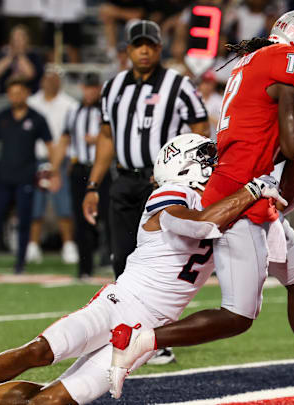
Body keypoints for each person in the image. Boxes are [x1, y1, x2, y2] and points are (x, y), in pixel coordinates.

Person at [108, 10, 294, 404]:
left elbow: (277, 145)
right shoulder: (289, 59)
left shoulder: (255, 59)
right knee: (238, 315)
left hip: (252, 186)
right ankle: (143, 341)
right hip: (240, 194)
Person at [0, 134, 285, 405]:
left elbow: (267, 247)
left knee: (50, 401)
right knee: (41, 351)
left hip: (148, 332)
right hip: (120, 303)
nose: (216, 164)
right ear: (184, 165)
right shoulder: (171, 193)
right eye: (207, 158)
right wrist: (253, 190)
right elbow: (200, 225)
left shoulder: (224, 205)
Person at [82, 19, 209, 280]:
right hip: (124, 180)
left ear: (160, 47)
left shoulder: (178, 84)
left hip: (161, 184)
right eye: (138, 45)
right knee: (121, 258)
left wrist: (181, 174)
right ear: (127, 49)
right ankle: (127, 318)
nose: (144, 51)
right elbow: (107, 137)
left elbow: (201, 130)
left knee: (158, 258)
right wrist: (93, 185)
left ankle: (155, 317)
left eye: (149, 45)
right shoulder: (112, 87)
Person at [0, 78, 60, 275]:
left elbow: (51, 146)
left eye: (19, 93)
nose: (15, 97)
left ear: (27, 93)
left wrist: (55, 171)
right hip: (2, 177)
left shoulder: (36, 118)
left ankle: (20, 263)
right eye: (12, 93)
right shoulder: (1, 116)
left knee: (24, 221)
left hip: (25, 177)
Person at [26, 70, 80, 265]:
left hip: (61, 160)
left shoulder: (69, 105)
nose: (50, 82)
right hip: (36, 158)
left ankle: (68, 245)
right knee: (35, 204)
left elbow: (71, 136)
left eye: (54, 79)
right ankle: (32, 245)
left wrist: (60, 164)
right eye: (47, 78)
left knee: (63, 203)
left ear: (60, 81)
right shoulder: (32, 102)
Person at [60, 73, 110, 278]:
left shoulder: (106, 110)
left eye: (94, 87)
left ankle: (112, 261)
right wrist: (56, 168)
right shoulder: (73, 111)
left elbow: (114, 136)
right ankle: (84, 268)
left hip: (102, 169)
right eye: (87, 87)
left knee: (108, 217)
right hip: (79, 168)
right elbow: (65, 138)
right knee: (82, 219)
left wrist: (98, 140)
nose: (90, 91)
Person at [0, 24, 44, 94]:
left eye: (20, 38)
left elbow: (30, 74)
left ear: (27, 39)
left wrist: (20, 55)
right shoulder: (3, 53)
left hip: (29, 93)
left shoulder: (34, 55)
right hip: (4, 92)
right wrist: (10, 56)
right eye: (15, 38)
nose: (17, 41)